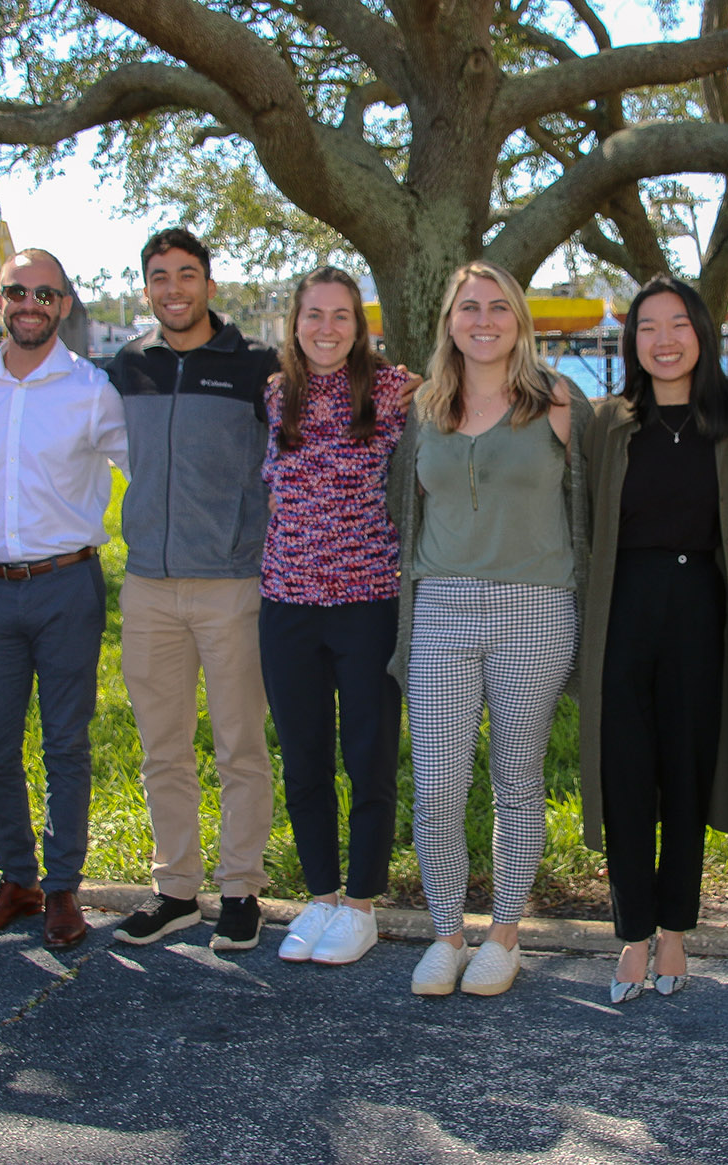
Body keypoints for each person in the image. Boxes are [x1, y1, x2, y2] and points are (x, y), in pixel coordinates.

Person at [388, 260, 592, 998]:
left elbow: (598, 496)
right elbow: (400, 504)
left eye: (498, 307)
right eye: (469, 306)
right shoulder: (423, 407)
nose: (484, 320)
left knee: (517, 779)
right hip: (440, 608)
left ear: (519, 320)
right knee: (438, 786)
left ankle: (504, 934)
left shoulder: (559, 402)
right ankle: (447, 931)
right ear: (449, 320)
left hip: (535, 608)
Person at [576, 276, 728, 1003]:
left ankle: (678, 933)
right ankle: (630, 935)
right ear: (631, 342)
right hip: (622, 607)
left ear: (702, 333)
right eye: (646, 326)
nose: (663, 339)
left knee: (686, 773)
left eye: (678, 324)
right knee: (627, 777)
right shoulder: (606, 422)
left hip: (698, 610)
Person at [0, 249, 127, 951]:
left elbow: (143, 469)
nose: (29, 303)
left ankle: (62, 887)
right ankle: (15, 881)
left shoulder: (91, 389)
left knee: (64, 744)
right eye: (17, 290)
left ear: (65, 306)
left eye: (44, 294)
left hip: (67, 586)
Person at [107, 227, 280, 952]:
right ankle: (175, 888)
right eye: (158, 276)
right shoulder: (128, 366)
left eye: (186, 274)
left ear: (209, 282)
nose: (173, 288)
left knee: (241, 745)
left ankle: (241, 887)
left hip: (233, 584)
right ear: (146, 287)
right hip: (148, 585)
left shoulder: (258, 368)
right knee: (162, 748)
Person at [259, 267, 415, 967]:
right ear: (294, 323)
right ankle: (320, 895)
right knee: (304, 757)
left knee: (368, 755)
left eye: (341, 315)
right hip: (286, 602)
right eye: (313, 314)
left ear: (360, 325)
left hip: (366, 600)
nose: (326, 327)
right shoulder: (276, 395)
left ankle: (361, 903)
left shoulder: (392, 391)